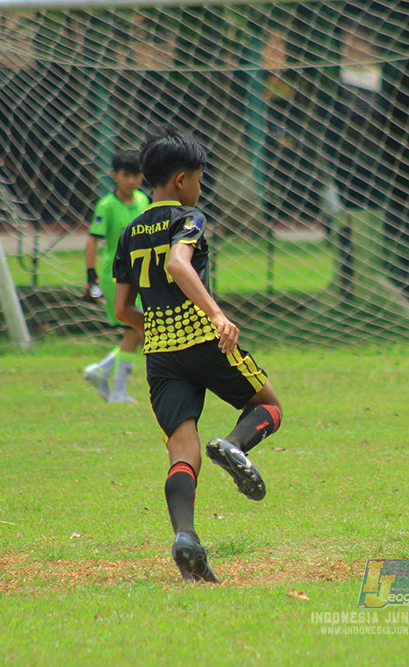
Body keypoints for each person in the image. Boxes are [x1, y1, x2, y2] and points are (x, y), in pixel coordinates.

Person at [113, 126, 284, 583]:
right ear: (183, 181)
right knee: (268, 405)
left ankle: (185, 537)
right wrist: (216, 315)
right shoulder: (189, 218)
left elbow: (121, 310)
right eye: (201, 178)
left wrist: (158, 326)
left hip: (161, 355)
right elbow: (176, 263)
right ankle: (235, 444)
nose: (202, 187)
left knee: (182, 452)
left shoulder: (130, 230)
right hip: (202, 338)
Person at [82, 149, 150, 403]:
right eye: (126, 175)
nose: (131, 181)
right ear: (115, 176)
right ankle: (118, 390)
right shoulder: (106, 205)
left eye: (136, 176)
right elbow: (92, 242)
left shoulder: (144, 201)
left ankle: (101, 371)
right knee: (134, 332)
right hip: (114, 276)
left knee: (142, 334)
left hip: (139, 275)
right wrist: (91, 278)